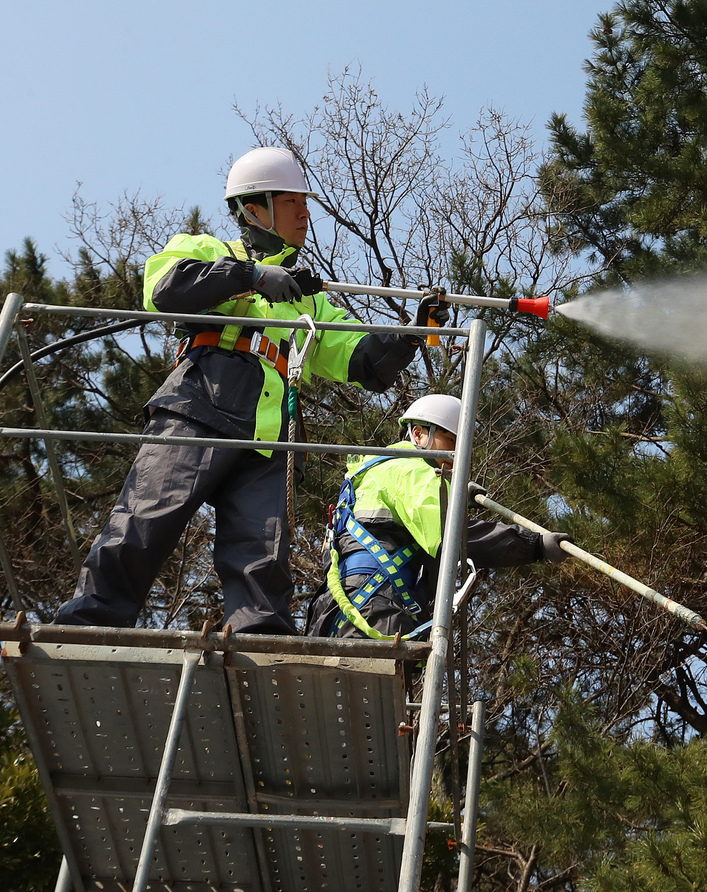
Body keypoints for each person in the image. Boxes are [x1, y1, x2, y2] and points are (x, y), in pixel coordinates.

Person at [54, 147, 439, 633]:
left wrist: (411, 333)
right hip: (202, 400)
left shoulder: (308, 301)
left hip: (269, 432)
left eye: (305, 203)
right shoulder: (208, 250)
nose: (305, 213)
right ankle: (89, 624)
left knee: (262, 557)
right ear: (253, 208)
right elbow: (166, 288)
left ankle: (260, 646)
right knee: (145, 521)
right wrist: (251, 276)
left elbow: (360, 359)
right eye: (292, 201)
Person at [304, 393, 570, 639]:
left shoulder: (375, 472)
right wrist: (534, 544)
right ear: (419, 434)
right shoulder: (413, 471)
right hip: (374, 608)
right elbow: (452, 536)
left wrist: (453, 495)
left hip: (334, 610)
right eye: (451, 440)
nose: (457, 454)